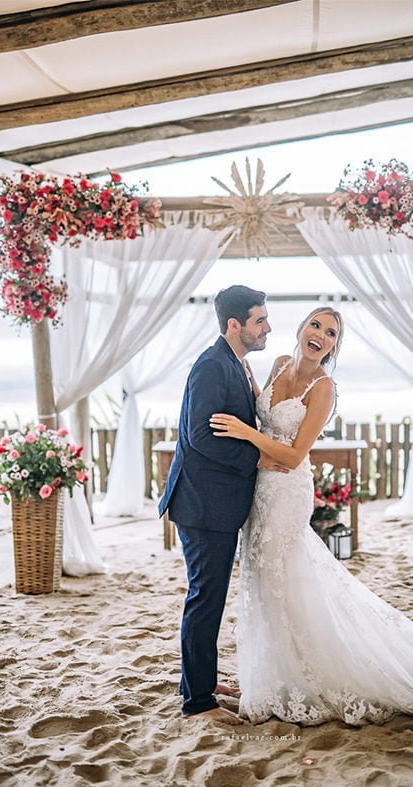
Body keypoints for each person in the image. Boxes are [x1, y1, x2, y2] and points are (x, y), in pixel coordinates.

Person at [209, 307, 413, 732]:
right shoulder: (279, 364)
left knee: (284, 577)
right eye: (316, 325)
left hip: (286, 491)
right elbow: (265, 419)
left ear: (334, 346)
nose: (320, 335)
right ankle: (272, 672)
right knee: (263, 581)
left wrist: (248, 436)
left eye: (331, 333)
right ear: (301, 329)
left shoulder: (324, 389)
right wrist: (253, 420)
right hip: (261, 488)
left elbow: (295, 455)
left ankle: (305, 675)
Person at [158, 285, 279, 724]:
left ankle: (201, 682)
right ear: (234, 324)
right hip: (203, 504)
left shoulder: (235, 363)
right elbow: (200, 437)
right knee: (205, 599)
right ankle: (197, 703)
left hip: (214, 503)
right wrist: (257, 458)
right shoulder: (212, 366)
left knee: (209, 597)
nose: (267, 328)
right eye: (260, 321)